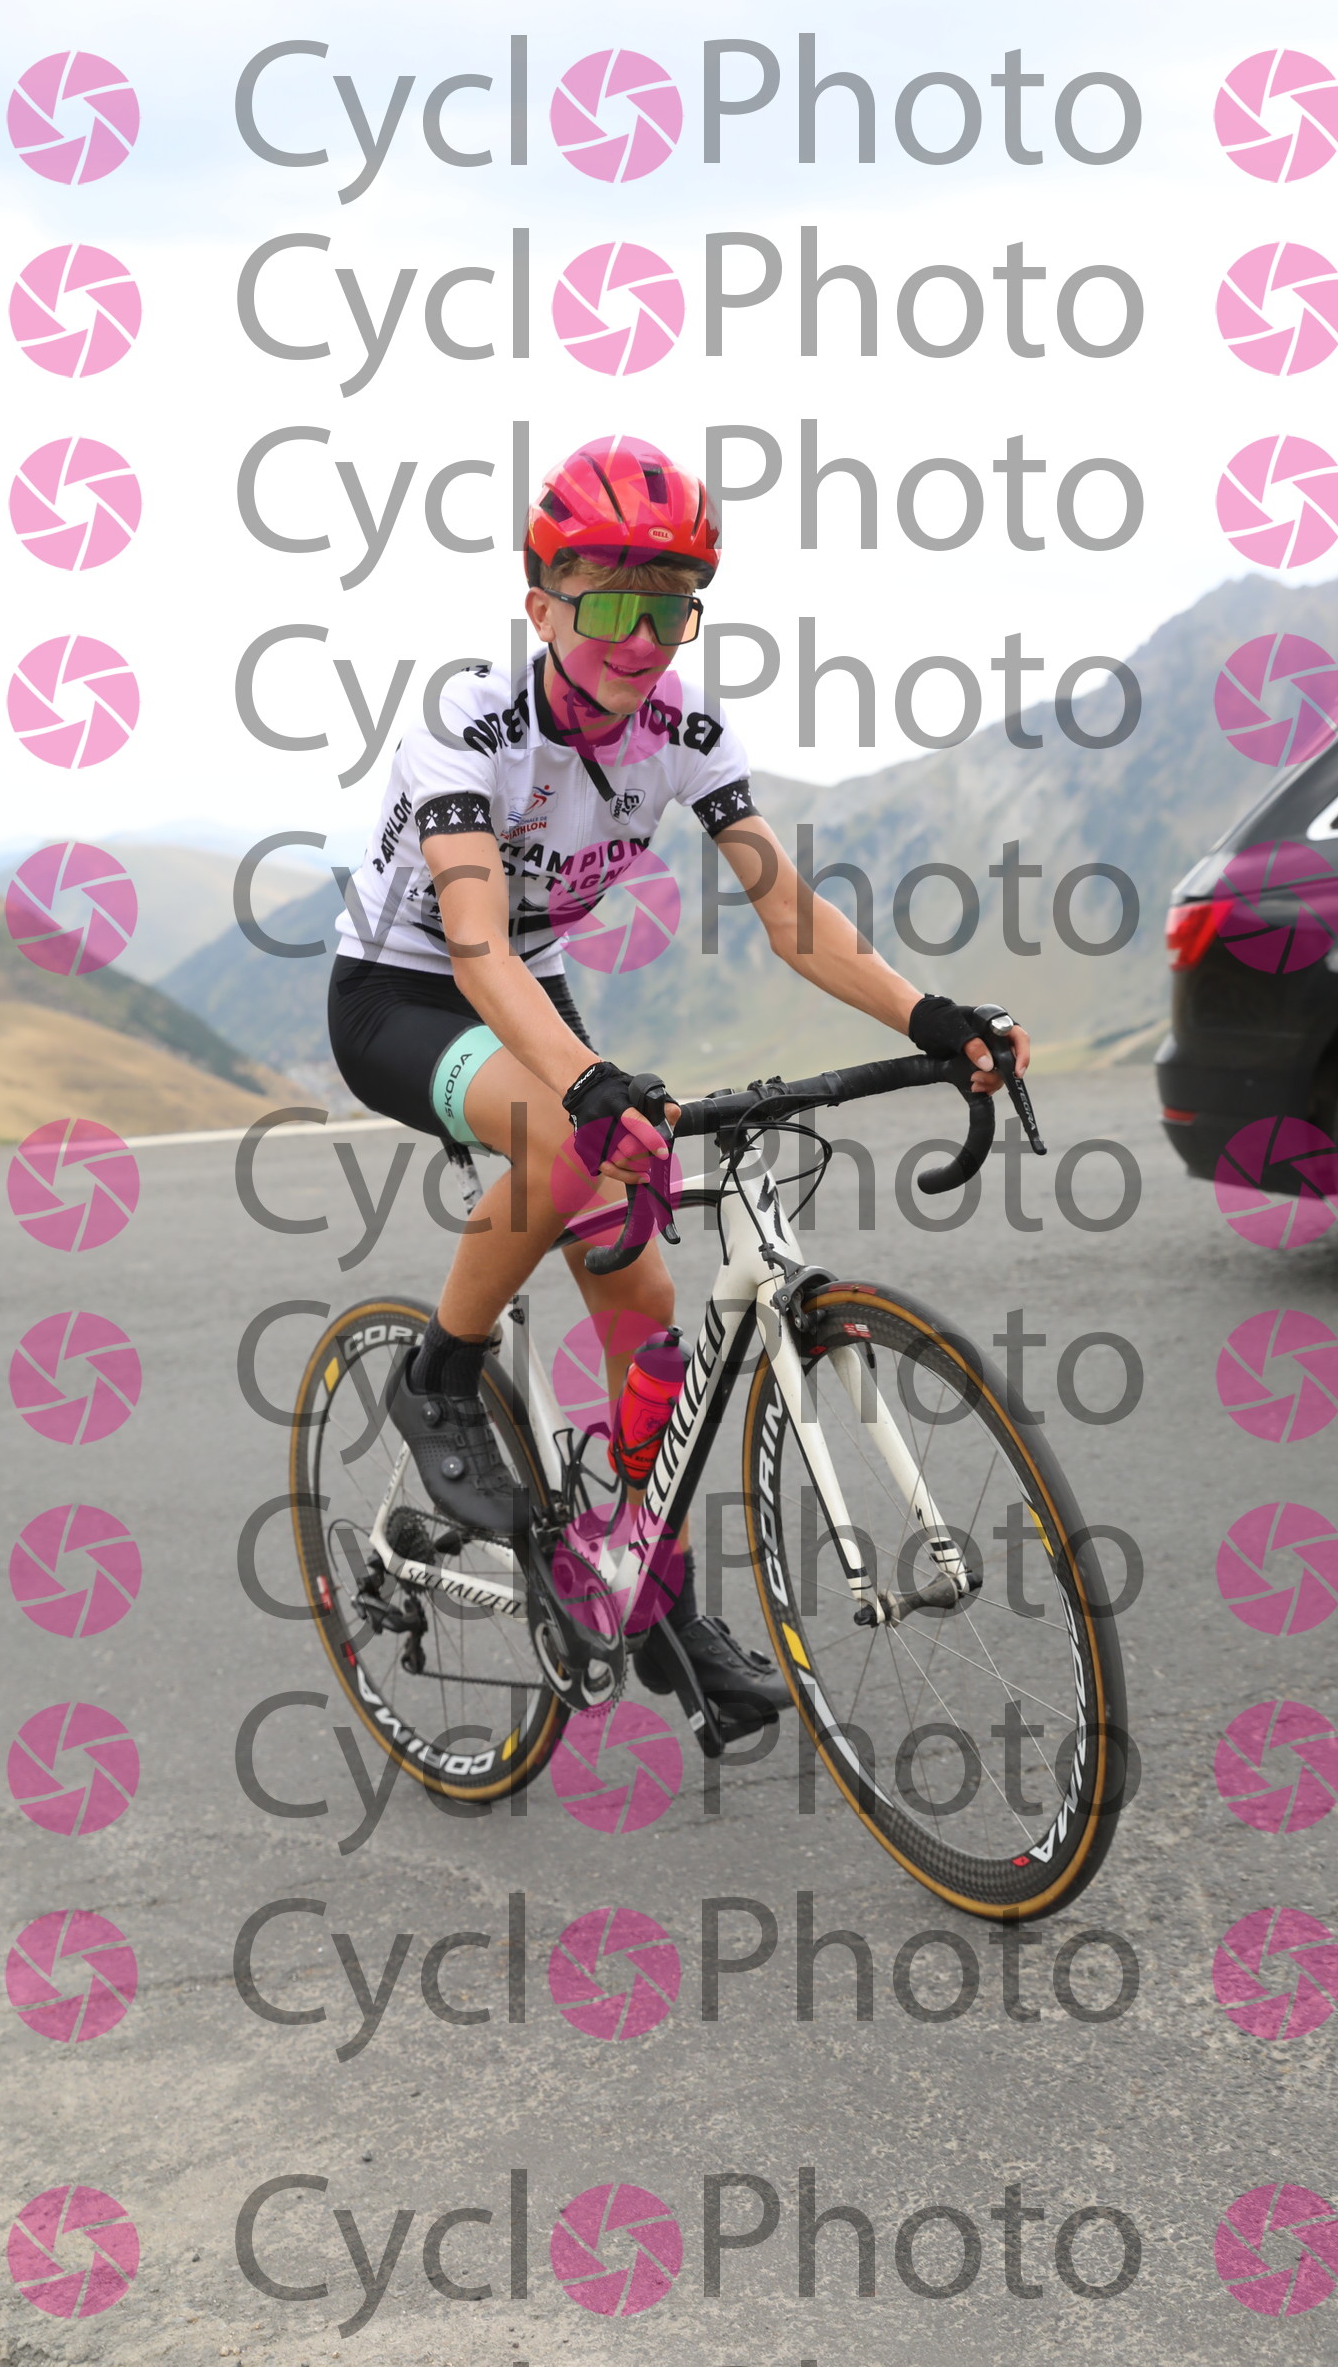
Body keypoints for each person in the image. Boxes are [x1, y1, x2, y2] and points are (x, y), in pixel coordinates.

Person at [327, 432, 1030, 1734]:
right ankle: (437, 1377)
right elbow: (473, 941)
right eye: (605, 605)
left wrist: (932, 1015)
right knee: (564, 1140)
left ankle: (652, 1594)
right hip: (404, 995)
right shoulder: (468, 722)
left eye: (668, 606)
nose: (638, 638)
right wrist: (589, 1080)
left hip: (537, 995)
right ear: (540, 606)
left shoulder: (685, 731)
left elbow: (792, 916)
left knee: (646, 1306)